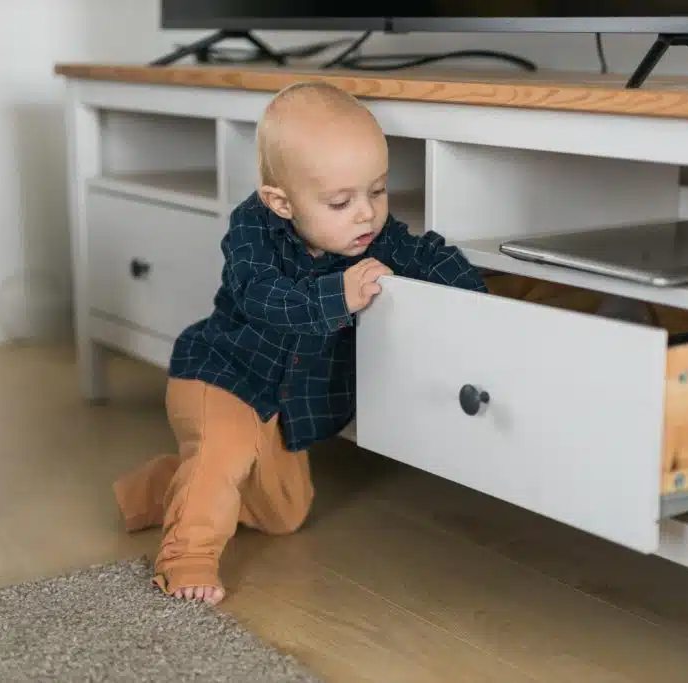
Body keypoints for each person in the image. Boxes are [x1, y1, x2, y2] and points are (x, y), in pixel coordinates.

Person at [111, 80, 486, 605]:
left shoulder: (372, 234)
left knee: (284, 515)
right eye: (341, 201)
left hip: (285, 405)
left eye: (377, 191)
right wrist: (339, 295)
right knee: (224, 453)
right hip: (222, 373)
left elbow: (422, 252)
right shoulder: (252, 232)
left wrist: (474, 298)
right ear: (281, 202)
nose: (366, 213)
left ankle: (163, 487)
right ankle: (186, 556)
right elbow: (267, 298)